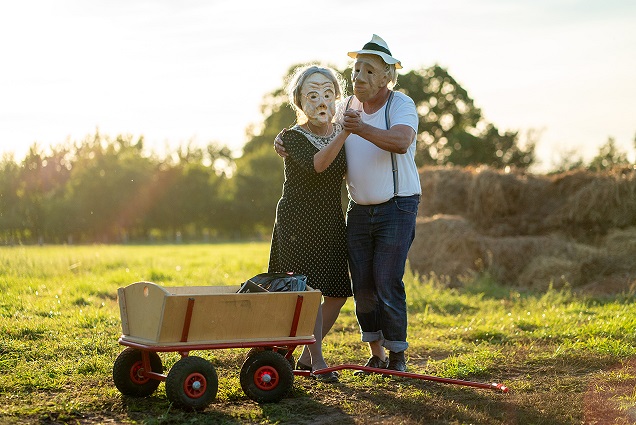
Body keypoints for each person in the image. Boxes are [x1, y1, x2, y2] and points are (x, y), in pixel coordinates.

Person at [275, 35, 420, 373]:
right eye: (356, 69)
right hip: (356, 209)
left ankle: (397, 354)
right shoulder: (346, 108)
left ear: (386, 76)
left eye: (369, 70)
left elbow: (401, 142)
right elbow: (316, 124)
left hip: (396, 205)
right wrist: (283, 139)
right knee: (362, 286)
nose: (359, 76)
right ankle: (376, 353)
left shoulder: (400, 104)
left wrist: (359, 129)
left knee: (387, 280)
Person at [268, 64, 352, 383]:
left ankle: (304, 355)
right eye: (313, 95)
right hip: (298, 220)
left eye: (328, 94)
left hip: (330, 218)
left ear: (337, 100)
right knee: (309, 292)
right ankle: (317, 360)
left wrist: (345, 132)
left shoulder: (343, 134)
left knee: (337, 292)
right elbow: (319, 165)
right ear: (300, 102)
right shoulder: (292, 137)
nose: (321, 101)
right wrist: (344, 132)